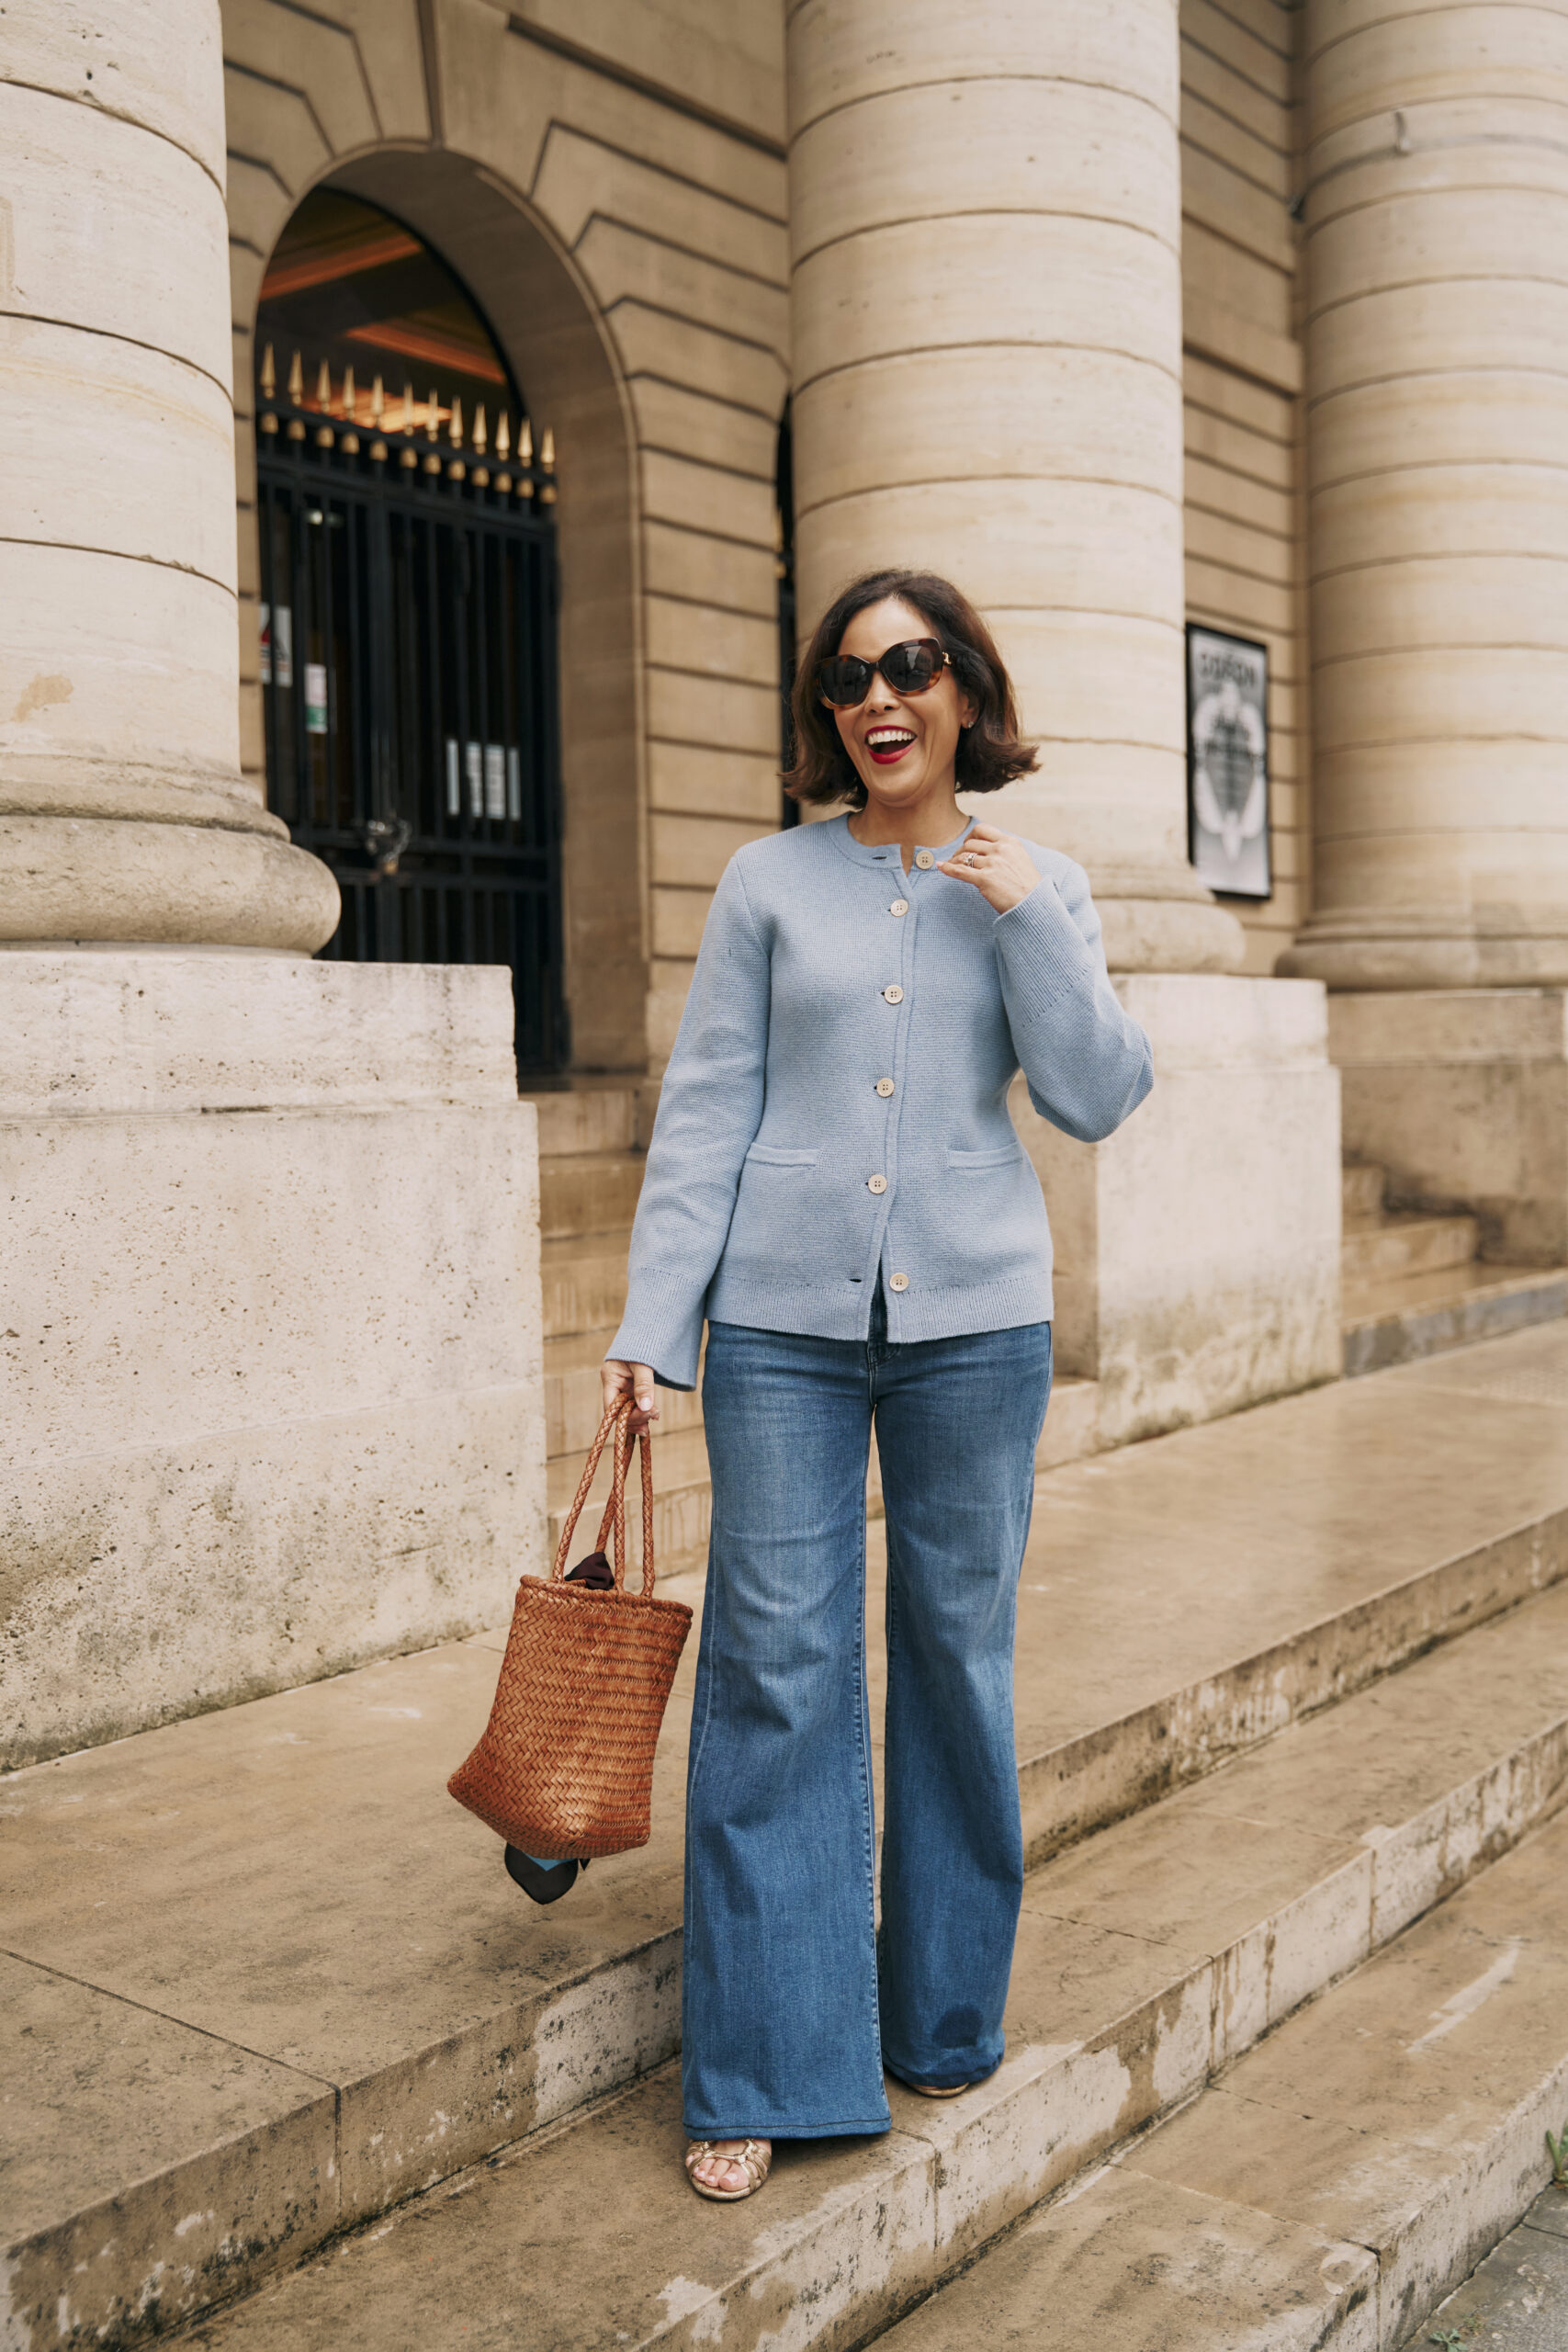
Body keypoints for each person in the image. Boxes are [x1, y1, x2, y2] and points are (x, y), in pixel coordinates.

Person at [602, 568, 1154, 2203]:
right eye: (851, 677)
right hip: (777, 1325)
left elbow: (1099, 1091)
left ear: (967, 691)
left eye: (913, 665)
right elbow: (708, 1107)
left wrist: (1027, 916)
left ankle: (942, 2016)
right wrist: (650, 1325)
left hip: (980, 1327)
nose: (881, 696)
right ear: (827, 715)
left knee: (955, 1656)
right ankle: (767, 2058)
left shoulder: (1037, 881)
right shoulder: (768, 882)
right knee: (775, 1666)